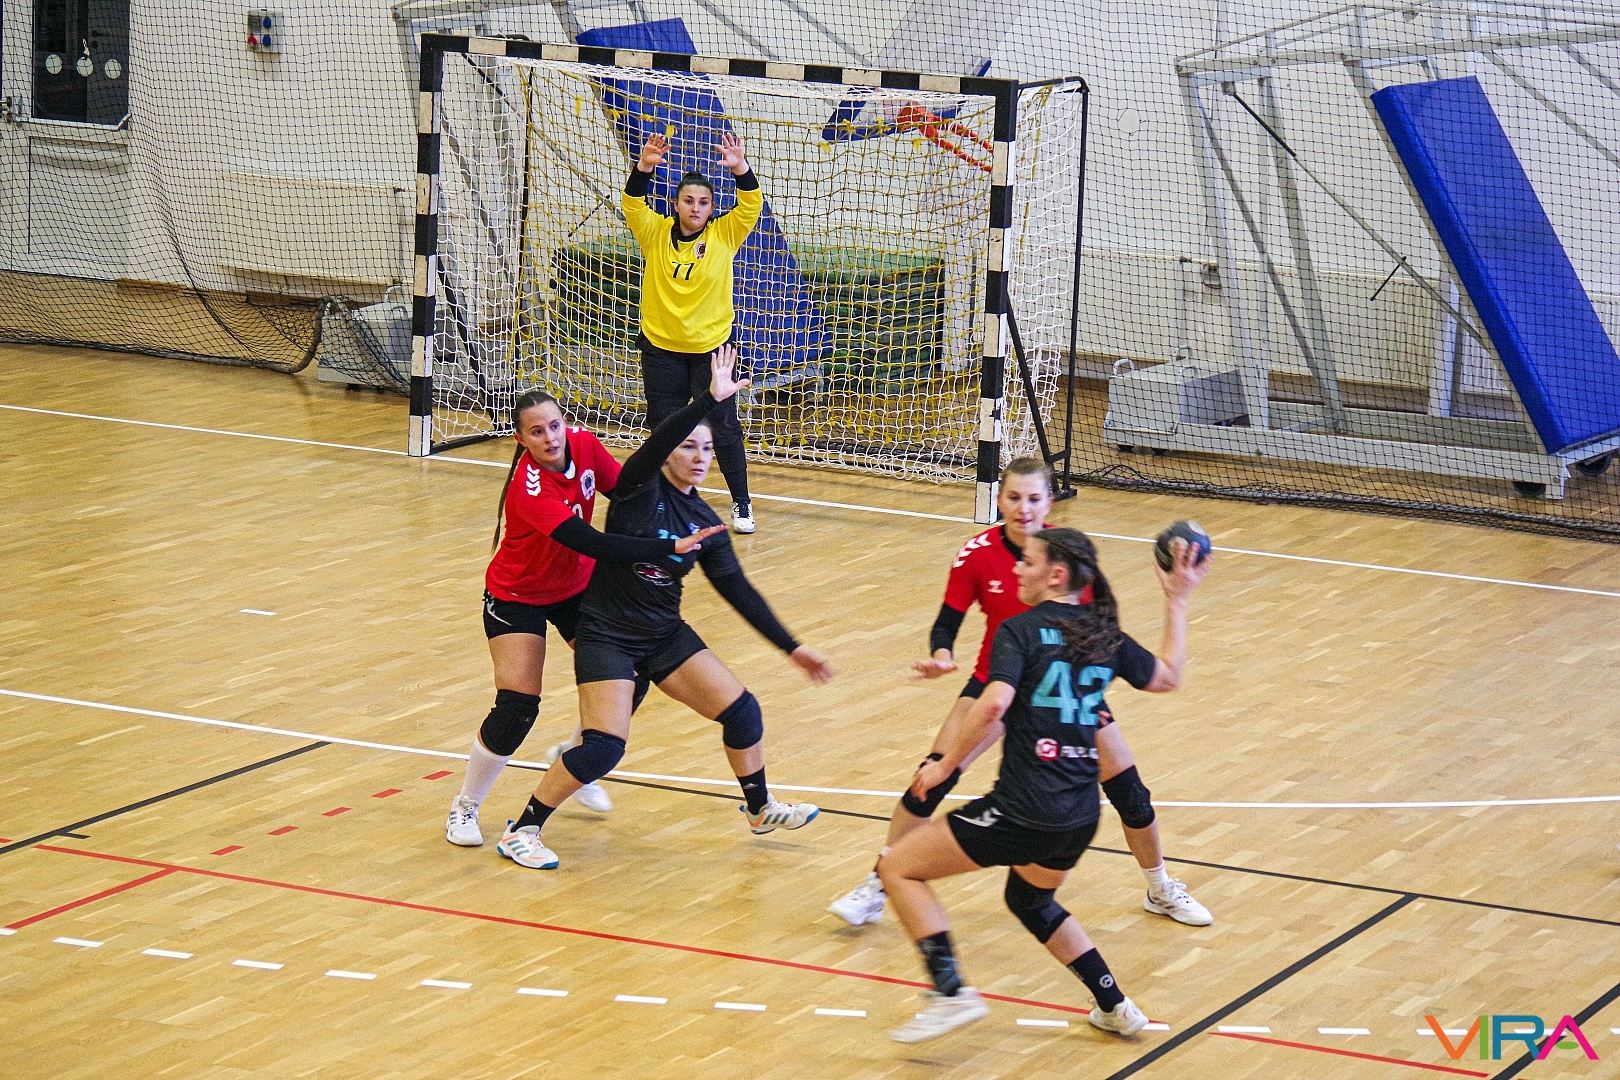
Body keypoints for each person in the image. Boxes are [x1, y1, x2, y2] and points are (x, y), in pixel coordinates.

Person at [829, 459, 1211, 929]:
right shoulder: (977, 554)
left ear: (1050, 503)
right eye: (1013, 498)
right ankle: (878, 883)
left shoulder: (1062, 555)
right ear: (999, 500)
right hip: (998, 683)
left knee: (1130, 793)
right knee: (930, 780)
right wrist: (942, 655)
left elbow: (1095, 627)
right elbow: (947, 620)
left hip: (1060, 691)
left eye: (1034, 498)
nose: (1023, 508)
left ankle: (1160, 886)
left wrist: (1094, 685)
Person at [496, 345, 832, 871]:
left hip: (663, 634)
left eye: (708, 449)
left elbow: (739, 592)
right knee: (604, 747)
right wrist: (708, 399)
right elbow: (656, 443)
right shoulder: (636, 489)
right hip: (608, 635)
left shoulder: (706, 523)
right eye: (689, 447)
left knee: (743, 713)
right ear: (669, 452)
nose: (700, 457)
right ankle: (523, 830)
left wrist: (793, 648)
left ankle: (760, 809)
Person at [879, 528, 1211, 1043]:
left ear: (1056, 575)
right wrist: (1178, 599)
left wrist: (945, 766)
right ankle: (1115, 1005)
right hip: (1079, 815)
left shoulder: (1019, 630)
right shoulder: (1103, 635)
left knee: (897, 867)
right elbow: (1167, 676)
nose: (1016, 568)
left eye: (1027, 562)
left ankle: (949, 993)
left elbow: (993, 705)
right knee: (1031, 901)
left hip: (1023, 809)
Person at [443, 389, 723, 848]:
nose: (550, 438)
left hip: (577, 589)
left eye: (554, 426)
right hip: (517, 595)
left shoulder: (586, 446)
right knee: (517, 705)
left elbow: (629, 492)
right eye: (537, 432)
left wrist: (678, 504)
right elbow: (594, 543)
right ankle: (466, 805)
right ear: (521, 439)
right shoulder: (530, 487)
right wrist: (666, 546)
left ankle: (577, 755)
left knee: (633, 675)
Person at [623, 130, 762, 534]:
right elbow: (632, 203)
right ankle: (660, 501)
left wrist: (740, 167)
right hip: (661, 350)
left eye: (703, 202)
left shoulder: (724, 234)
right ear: (676, 204)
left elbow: (751, 204)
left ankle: (741, 503)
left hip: (712, 352)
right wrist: (644, 167)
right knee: (664, 428)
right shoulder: (654, 233)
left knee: (724, 427)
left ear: (712, 208)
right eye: (688, 201)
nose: (695, 208)